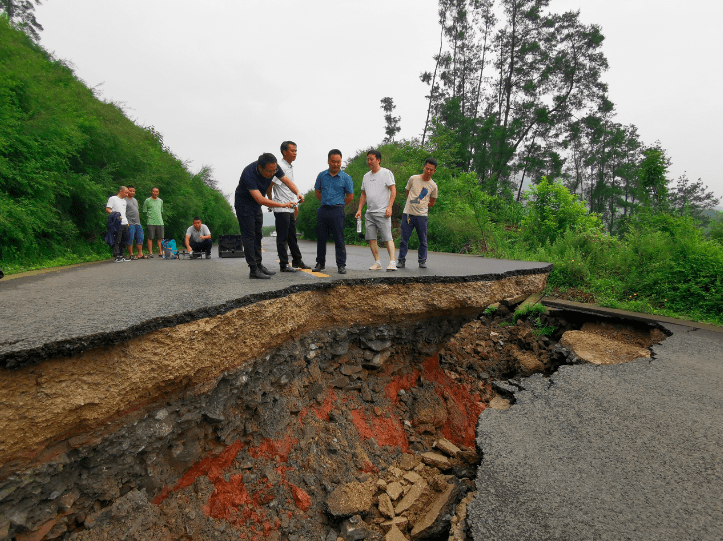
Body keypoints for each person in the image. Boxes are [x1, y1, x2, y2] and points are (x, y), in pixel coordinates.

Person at [235, 153, 304, 279]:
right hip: (244, 205)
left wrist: (298, 193)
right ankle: (253, 269)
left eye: (274, 170)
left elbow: (287, 181)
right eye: (269, 171)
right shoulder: (249, 173)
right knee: (249, 236)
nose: (272, 173)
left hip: (255, 206)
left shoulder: (274, 168)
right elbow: (260, 199)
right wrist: (283, 205)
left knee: (258, 234)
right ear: (260, 168)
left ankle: (259, 265)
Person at [266, 141, 310, 272]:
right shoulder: (280, 168)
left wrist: (297, 197)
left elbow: (288, 187)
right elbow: (269, 186)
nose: (295, 153)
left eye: (296, 150)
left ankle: (297, 260)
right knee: (282, 238)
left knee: (292, 236)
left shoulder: (289, 167)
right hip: (281, 208)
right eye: (292, 150)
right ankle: (284, 264)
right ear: (285, 152)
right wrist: (271, 203)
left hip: (290, 207)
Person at [355, 150, 397, 271]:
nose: (369, 161)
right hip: (370, 213)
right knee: (371, 238)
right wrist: (359, 210)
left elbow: (393, 190)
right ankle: (377, 262)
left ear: (378, 160)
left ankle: (392, 262)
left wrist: (390, 207)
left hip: (383, 211)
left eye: (371, 159)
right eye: (367, 159)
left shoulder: (386, 173)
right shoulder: (366, 176)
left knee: (387, 237)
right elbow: (363, 194)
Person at [313, 149, 354, 274]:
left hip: (338, 210)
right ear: (328, 161)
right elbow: (317, 192)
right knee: (321, 238)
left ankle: (341, 265)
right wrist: (325, 202)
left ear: (341, 162)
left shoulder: (346, 178)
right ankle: (320, 263)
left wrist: (340, 205)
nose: (335, 164)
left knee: (339, 239)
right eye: (333, 161)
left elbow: (350, 196)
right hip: (324, 210)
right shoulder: (321, 175)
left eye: (338, 162)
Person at [398, 158, 439, 269]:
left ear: (434, 171)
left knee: (423, 240)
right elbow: (408, 192)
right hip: (408, 214)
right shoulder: (413, 178)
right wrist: (413, 203)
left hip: (422, 216)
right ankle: (401, 260)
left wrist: (422, 205)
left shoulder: (433, 186)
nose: (429, 171)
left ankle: (422, 261)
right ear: (423, 167)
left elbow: (432, 202)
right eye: (427, 169)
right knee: (404, 239)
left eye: (431, 170)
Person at [105, 186, 130, 262]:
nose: (127, 194)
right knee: (117, 239)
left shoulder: (124, 201)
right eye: (126, 192)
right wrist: (115, 215)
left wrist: (127, 221)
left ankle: (122, 255)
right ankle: (117, 255)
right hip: (117, 223)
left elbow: (124, 212)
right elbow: (108, 209)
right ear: (120, 191)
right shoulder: (113, 199)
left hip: (125, 222)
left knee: (124, 239)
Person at [142, 187, 164, 258]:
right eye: (154, 191)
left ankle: (161, 252)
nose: (155, 193)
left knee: (160, 238)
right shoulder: (147, 201)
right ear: (151, 192)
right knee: (150, 238)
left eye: (157, 192)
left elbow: (161, 211)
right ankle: (150, 253)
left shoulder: (160, 201)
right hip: (151, 221)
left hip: (160, 222)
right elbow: (144, 211)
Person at [125, 185, 145, 259]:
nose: (132, 192)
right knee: (130, 237)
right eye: (130, 191)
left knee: (140, 237)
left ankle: (140, 254)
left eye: (133, 191)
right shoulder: (124, 200)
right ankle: (131, 254)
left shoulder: (135, 200)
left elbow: (137, 210)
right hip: (130, 222)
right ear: (127, 191)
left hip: (137, 222)